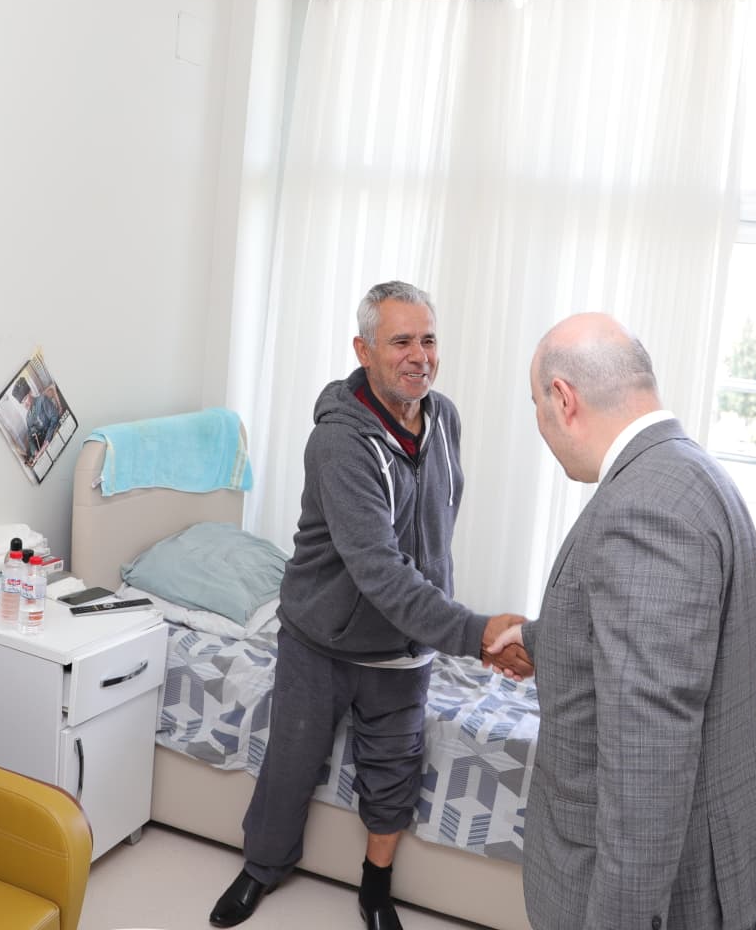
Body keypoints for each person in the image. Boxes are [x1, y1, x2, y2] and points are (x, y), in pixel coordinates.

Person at [208, 281, 530, 930]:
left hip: (403, 649)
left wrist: (442, 624)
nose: (419, 355)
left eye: (428, 339)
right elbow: (377, 568)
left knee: (394, 771)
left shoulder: (444, 419)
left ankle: (375, 888)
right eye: (400, 341)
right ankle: (261, 868)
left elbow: (433, 530)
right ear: (364, 350)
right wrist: (474, 632)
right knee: (290, 765)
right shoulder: (340, 442)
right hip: (321, 641)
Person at [487, 312, 756, 930]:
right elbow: (675, 643)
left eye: (537, 407)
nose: (541, 425)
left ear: (563, 398)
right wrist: (541, 637)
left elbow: (648, 755)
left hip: (649, 888)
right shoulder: (687, 471)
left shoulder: (645, 508)